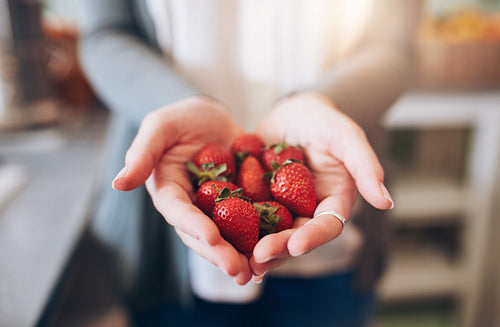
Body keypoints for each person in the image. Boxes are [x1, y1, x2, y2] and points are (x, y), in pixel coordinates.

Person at [77, 0, 422, 326]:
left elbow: (394, 47)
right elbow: (106, 34)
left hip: (335, 253)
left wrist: (326, 100)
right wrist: (172, 103)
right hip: (166, 257)